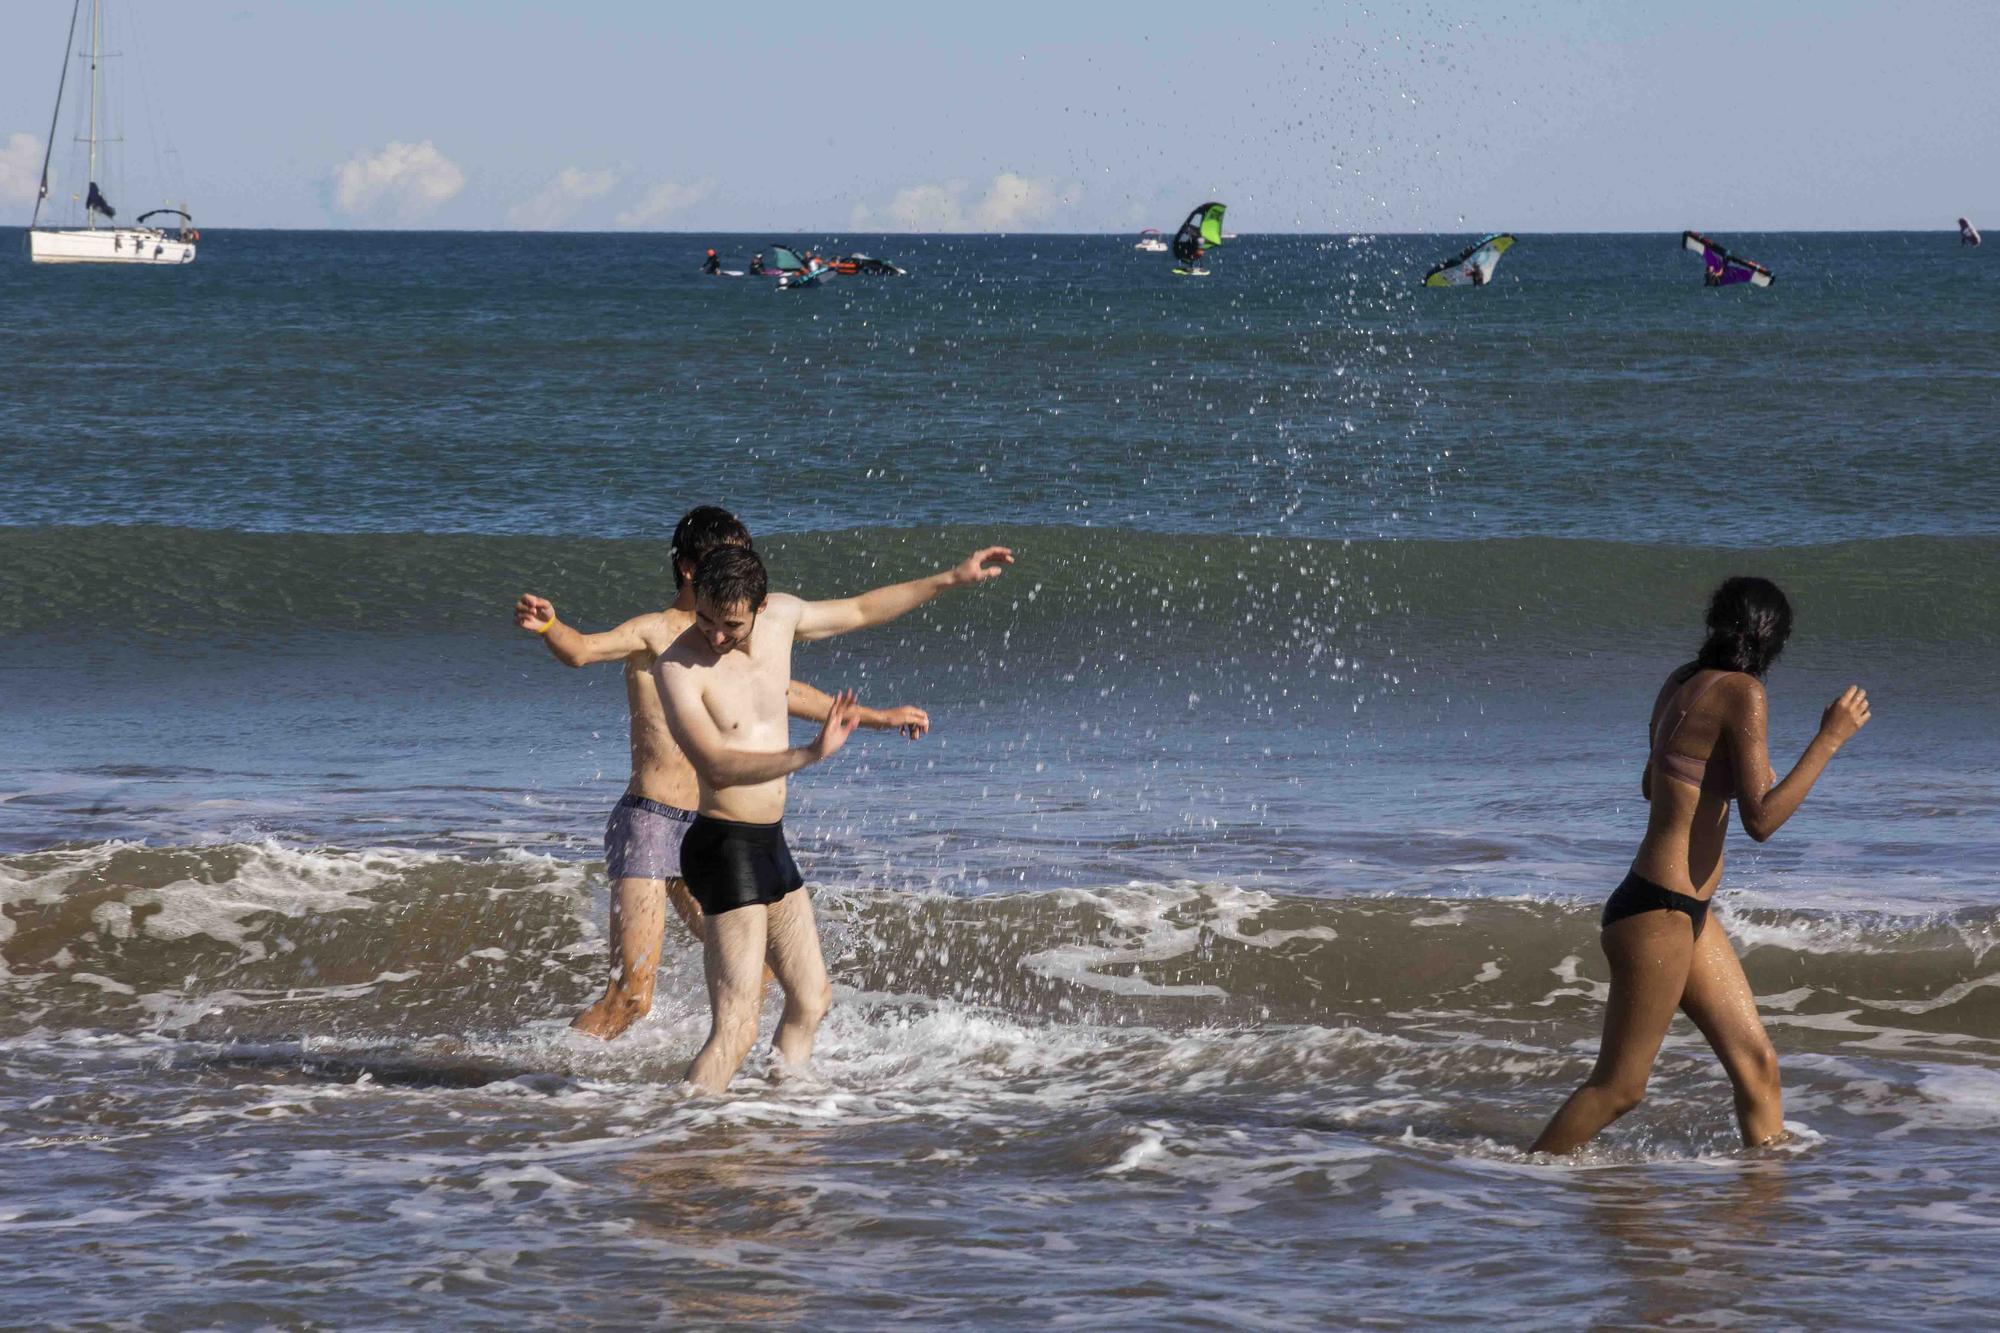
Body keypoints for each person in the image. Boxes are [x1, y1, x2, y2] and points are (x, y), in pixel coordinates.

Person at [513, 506, 929, 1040]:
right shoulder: (656, 633)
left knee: (753, 977)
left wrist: (873, 717)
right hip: (651, 823)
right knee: (631, 999)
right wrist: (550, 625)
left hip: (710, 829)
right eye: (723, 558)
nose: (738, 567)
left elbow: (788, 693)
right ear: (688, 568)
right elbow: (582, 650)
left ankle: (728, 1092)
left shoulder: (734, 637)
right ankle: (543, 1087)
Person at [1530, 577, 1871, 1154]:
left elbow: (1650, 784)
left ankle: (1763, 1208)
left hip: (1679, 909)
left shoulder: (1681, 683)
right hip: (1659, 911)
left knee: (1758, 1065)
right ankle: (1525, 1179)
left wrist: (1713, 776)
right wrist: (1829, 739)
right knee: (1619, 1088)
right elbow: (1761, 821)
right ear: (1772, 640)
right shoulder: (1744, 693)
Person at [657, 542, 1013, 1093]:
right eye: (705, 618)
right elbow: (717, 764)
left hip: (768, 844)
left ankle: (784, 1110)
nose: (716, 635)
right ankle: (681, 1146)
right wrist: (809, 754)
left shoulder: (781, 619)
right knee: (736, 1027)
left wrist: (949, 577)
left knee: (811, 998)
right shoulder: (678, 666)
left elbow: (862, 609)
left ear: (760, 606)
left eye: (731, 624)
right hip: (723, 847)